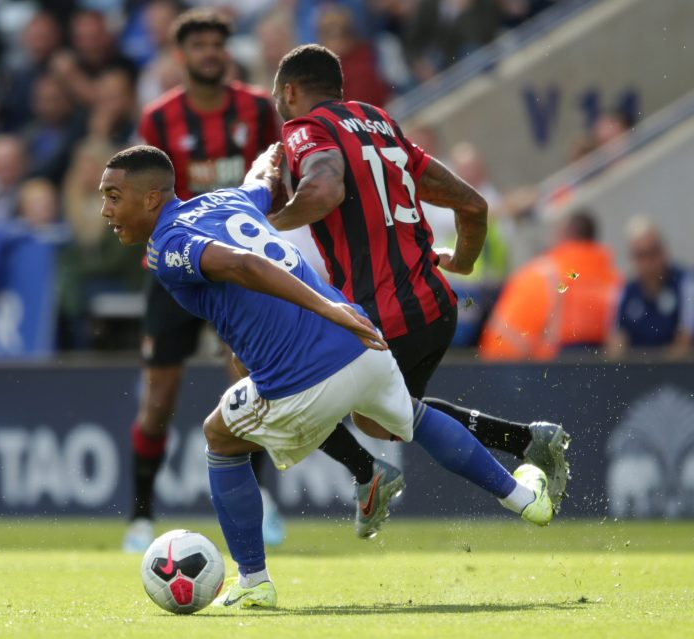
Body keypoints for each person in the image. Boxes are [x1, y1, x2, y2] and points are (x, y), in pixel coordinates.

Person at [99, 143, 556, 609]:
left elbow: (242, 265)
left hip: (308, 367)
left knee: (220, 438)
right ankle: (524, 498)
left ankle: (254, 582)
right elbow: (259, 184)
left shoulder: (168, 244)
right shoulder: (226, 200)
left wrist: (325, 306)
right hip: (364, 346)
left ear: (152, 198)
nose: (106, 209)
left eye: (114, 196)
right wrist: (269, 160)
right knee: (412, 417)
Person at [268, 44, 570, 518]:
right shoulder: (379, 124)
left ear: (289, 91)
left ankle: (514, 489)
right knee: (390, 414)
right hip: (436, 304)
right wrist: (465, 262)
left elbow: (325, 188)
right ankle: (527, 440)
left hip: (382, 314)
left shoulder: (306, 129)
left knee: (285, 382)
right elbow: (472, 204)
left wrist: (267, 223)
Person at [125, 10, 379, 552]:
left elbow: (280, 160)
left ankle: (262, 511)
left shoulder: (254, 110)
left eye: (218, 43)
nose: (211, 53)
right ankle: (140, 519)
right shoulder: (160, 120)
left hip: (242, 267)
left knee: (255, 378)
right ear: (182, 56)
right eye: (200, 46)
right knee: (158, 399)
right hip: (176, 266)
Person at [480, 209, 622, 360]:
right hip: (605, 375)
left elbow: (499, 344)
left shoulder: (540, 276)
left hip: (550, 374)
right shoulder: (616, 281)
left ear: (564, 234)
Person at [607, 216, 694, 358]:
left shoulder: (685, 283)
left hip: (674, 372)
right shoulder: (625, 290)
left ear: (664, 251)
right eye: (641, 256)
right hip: (636, 373)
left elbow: (687, 340)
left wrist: (656, 371)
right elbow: (616, 343)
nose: (648, 263)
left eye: (653, 253)